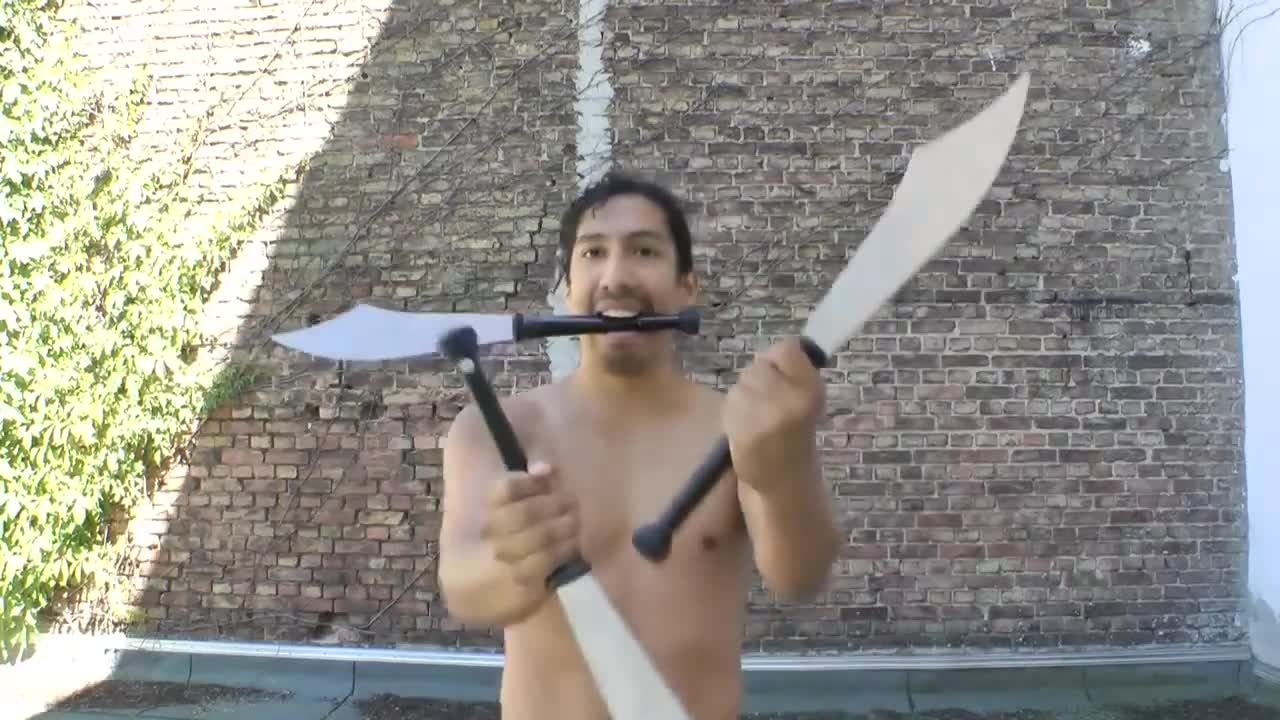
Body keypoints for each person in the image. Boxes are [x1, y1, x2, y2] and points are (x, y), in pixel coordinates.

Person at [437, 172, 842, 720]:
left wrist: (785, 474)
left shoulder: (739, 426)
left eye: (644, 251)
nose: (616, 277)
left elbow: (800, 577)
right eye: (593, 253)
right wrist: (517, 558)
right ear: (566, 290)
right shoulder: (494, 428)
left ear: (686, 288)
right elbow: (464, 589)